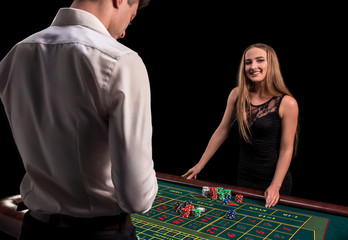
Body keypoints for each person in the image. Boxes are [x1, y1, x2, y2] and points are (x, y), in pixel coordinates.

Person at [0, 0, 158, 239]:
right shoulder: (121, 61)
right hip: (99, 233)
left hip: (34, 231)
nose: (125, 31)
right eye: (131, 16)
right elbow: (137, 198)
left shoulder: (14, 55)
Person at [182, 43, 299, 209]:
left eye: (260, 60)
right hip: (244, 178)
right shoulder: (237, 94)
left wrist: (276, 185)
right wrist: (200, 165)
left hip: (273, 181)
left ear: (271, 65)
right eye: (248, 62)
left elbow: (286, 149)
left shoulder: (287, 103)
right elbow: (222, 130)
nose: (253, 67)